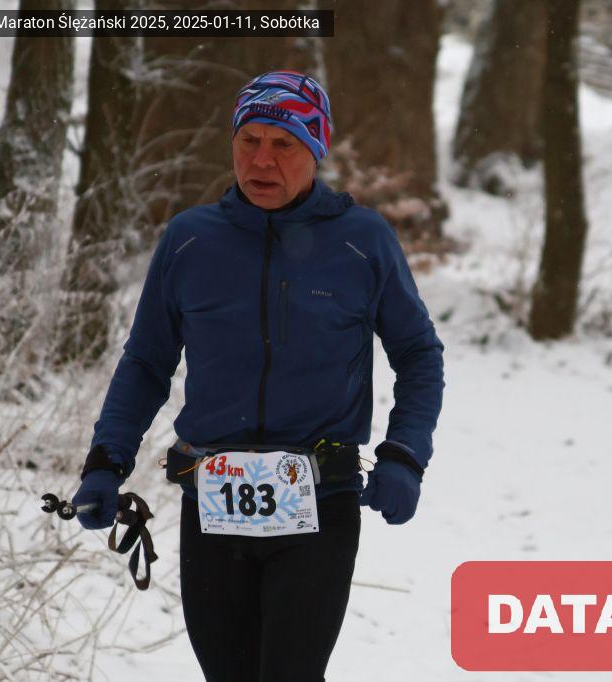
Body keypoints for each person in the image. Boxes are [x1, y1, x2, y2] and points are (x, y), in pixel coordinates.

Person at [72, 70, 445, 682]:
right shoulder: (191, 240)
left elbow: (419, 354)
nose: (262, 160)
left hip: (318, 504)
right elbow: (146, 363)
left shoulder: (361, 242)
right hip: (211, 505)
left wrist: (405, 454)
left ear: (316, 150)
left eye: (284, 144)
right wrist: (106, 461)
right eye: (249, 141)